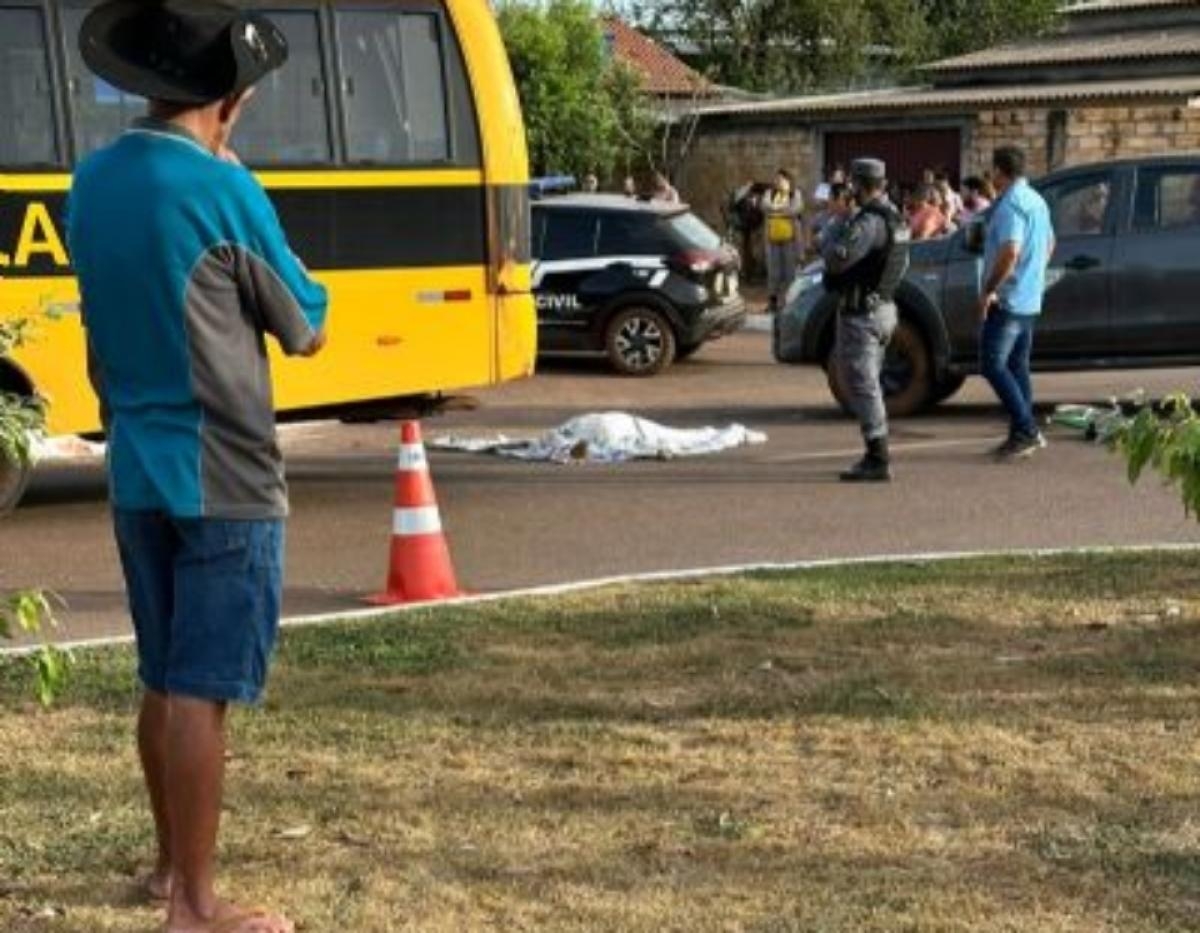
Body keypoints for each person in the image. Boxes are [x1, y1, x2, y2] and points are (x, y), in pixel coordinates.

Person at [66, 2, 328, 931]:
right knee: (201, 691)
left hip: (136, 464)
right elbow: (304, 323)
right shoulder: (223, 187)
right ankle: (197, 907)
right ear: (230, 100)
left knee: (163, 674)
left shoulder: (90, 180)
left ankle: (168, 866)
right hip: (226, 475)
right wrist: (245, 186)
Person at [821, 158, 911, 482]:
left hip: (863, 313)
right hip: (884, 306)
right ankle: (876, 449)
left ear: (858, 186)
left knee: (862, 384)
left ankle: (878, 457)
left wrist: (835, 222)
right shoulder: (896, 218)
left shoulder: (869, 223)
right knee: (868, 381)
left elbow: (835, 261)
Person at [978, 145, 1055, 459]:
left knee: (992, 364)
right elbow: (1050, 242)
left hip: (1009, 299)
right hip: (1029, 297)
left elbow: (1010, 251)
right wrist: (1033, 274)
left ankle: (1027, 428)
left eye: (992, 170)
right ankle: (1019, 433)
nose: (990, 176)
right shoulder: (1036, 200)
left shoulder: (1011, 205)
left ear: (999, 171)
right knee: (1016, 365)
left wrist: (989, 289)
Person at [762, 169, 804, 312]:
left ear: (788, 180)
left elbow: (795, 209)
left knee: (790, 272)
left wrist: (775, 210)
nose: (777, 181)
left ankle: (790, 302)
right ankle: (773, 301)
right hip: (772, 239)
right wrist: (780, 209)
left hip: (790, 239)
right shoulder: (770, 193)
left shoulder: (794, 193)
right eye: (776, 179)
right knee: (773, 271)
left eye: (781, 179)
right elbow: (764, 206)